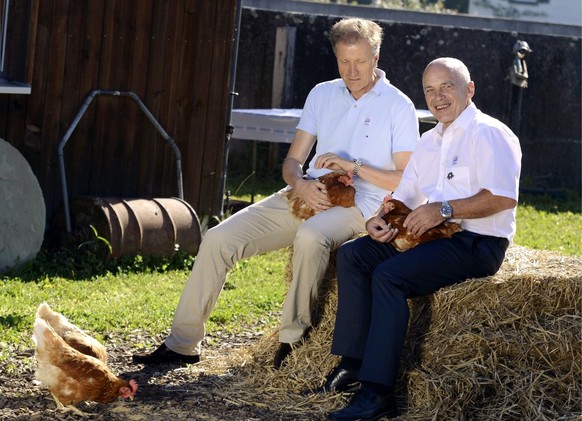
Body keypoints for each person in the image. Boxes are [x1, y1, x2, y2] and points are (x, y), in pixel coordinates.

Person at [132, 17, 420, 369]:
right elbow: (293, 161)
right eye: (344, 61)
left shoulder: (398, 105)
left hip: (362, 204)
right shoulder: (322, 93)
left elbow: (404, 178)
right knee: (218, 238)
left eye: (360, 61)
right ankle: (182, 343)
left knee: (312, 235)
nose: (352, 70)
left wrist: (353, 166)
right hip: (308, 192)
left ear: (376, 57)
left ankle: (292, 340)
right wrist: (300, 184)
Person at [311, 57, 522, 420]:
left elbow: (502, 197)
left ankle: (378, 394)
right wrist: (380, 217)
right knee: (354, 255)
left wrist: (443, 210)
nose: (437, 97)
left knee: (390, 277)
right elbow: (406, 195)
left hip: (476, 244)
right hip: (433, 238)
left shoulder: (489, 132)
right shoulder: (429, 140)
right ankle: (354, 364)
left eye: (446, 87)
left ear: (468, 90)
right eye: (429, 90)